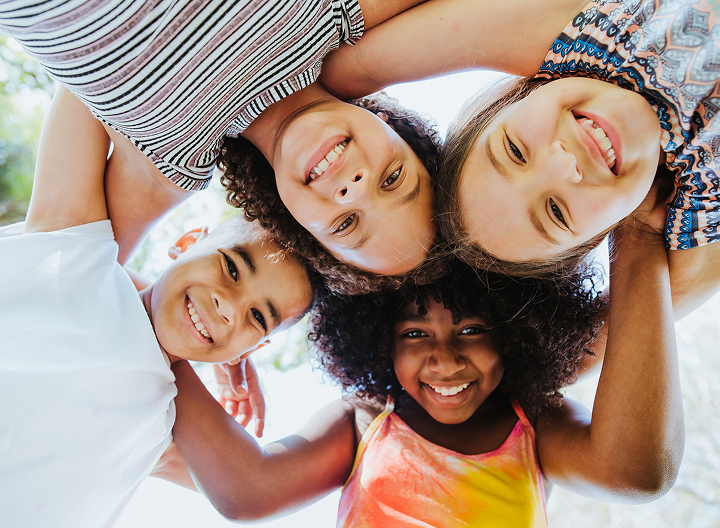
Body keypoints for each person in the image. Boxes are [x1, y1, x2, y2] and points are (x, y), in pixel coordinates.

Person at [167, 215, 683, 526]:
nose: (445, 358)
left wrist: (636, 236)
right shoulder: (366, 421)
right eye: (414, 333)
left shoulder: (535, 425)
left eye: (473, 329)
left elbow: (634, 470)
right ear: (379, 340)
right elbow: (247, 490)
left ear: (515, 335)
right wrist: (173, 351)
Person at [0, 87, 317, 527]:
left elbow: (254, 487)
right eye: (230, 266)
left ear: (250, 349)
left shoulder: (166, 426)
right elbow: (75, 69)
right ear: (186, 243)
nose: (230, 309)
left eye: (258, 318)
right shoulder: (77, 254)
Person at [318, 0, 720, 316]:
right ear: (607, 230)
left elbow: (343, 71)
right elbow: (674, 294)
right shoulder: (706, 187)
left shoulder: (589, 38)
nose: (564, 164)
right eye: (557, 213)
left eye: (513, 151)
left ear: (516, 99)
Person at [0, 0, 439, 281]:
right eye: (394, 178)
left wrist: (198, 337)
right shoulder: (342, 11)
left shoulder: (171, 162)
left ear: (296, 225)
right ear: (393, 129)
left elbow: (63, 277)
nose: (355, 189)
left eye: (347, 224)